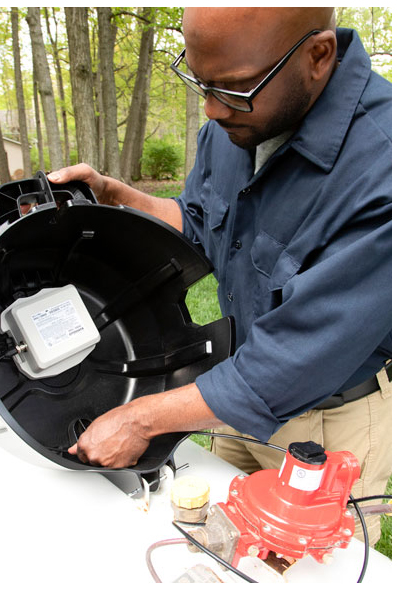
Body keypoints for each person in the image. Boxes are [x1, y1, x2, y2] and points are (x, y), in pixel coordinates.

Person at [48, 7, 391, 545]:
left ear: (317, 56)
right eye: (201, 83)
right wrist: (121, 198)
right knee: (215, 547)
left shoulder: (383, 171)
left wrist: (141, 419)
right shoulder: (236, 124)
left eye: (231, 88)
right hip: (226, 402)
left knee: (294, 571)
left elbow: (291, 362)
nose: (210, 110)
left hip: (325, 428)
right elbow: (201, 222)